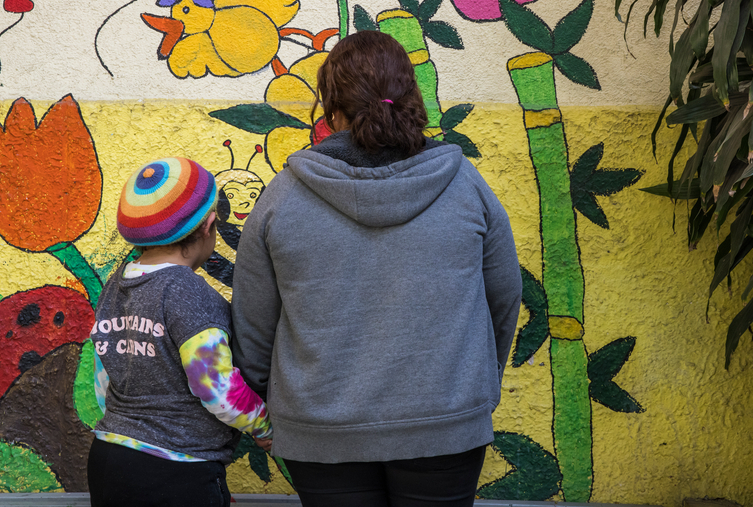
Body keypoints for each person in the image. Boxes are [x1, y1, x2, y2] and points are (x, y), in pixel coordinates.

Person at [232, 31, 523, 507]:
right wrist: (475, 383)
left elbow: (253, 324)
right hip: (445, 425)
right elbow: (505, 296)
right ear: (411, 97)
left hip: (320, 432)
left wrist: (268, 407)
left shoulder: (282, 198)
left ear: (331, 111)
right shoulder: (466, 185)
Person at [88, 157, 273, 507]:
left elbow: (104, 379)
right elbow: (216, 388)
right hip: (175, 469)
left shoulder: (115, 287)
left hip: (109, 458)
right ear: (209, 224)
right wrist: (263, 426)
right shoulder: (188, 292)